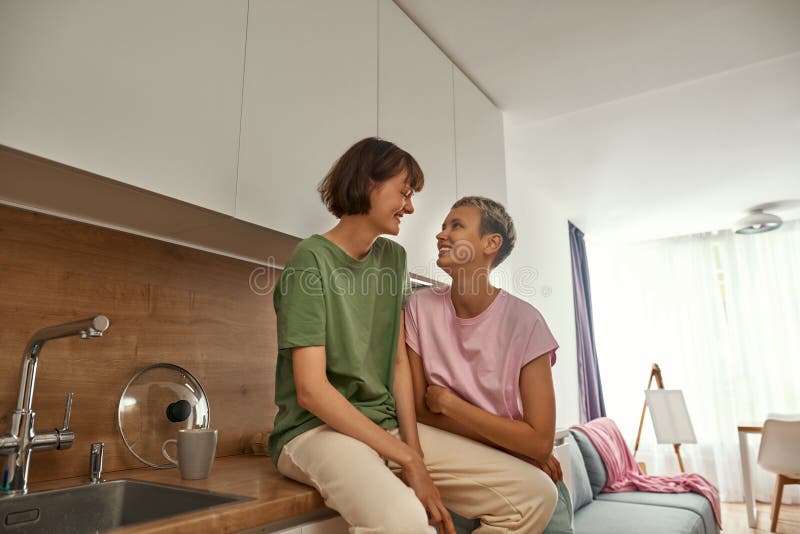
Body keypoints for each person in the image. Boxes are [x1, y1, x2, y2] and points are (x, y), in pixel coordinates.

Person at [269, 139, 556, 534]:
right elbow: (311, 392)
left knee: (534, 495)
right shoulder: (310, 261)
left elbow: (399, 363)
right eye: (404, 192)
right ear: (370, 183)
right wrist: (407, 459)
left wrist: (414, 453)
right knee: (405, 520)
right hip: (315, 432)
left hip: (384, 427)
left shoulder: (393, 259)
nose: (410, 207)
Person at [404, 196, 571, 533]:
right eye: (442, 226)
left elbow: (539, 443)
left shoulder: (526, 323)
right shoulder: (418, 308)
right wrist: (514, 444)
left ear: (490, 244)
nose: (441, 234)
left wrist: (450, 405)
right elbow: (419, 410)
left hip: (529, 484)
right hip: (466, 483)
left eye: (456, 226)